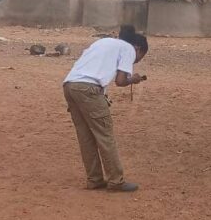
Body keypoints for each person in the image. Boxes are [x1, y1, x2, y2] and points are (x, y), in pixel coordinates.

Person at [63, 25, 148, 192]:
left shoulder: (103, 42)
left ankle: (94, 178)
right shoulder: (128, 48)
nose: (137, 61)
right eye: (140, 57)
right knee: (105, 134)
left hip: (70, 85)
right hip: (89, 89)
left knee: (86, 135)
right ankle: (116, 180)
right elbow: (121, 81)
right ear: (138, 48)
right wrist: (134, 79)